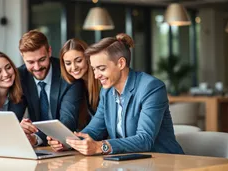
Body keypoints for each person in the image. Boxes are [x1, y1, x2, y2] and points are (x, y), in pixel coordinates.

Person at [48, 33, 184, 155]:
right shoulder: (106, 92)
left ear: (121, 63)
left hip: (164, 162)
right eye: (94, 69)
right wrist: (68, 142)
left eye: (101, 68)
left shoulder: (151, 87)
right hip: (130, 164)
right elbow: (94, 130)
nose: (96, 76)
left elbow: (145, 139)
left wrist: (101, 147)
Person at [18, 30, 83, 146]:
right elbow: (13, 116)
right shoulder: (20, 76)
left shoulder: (67, 75)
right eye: (31, 62)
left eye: (41, 60)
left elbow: (67, 122)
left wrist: (36, 138)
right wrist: (19, 125)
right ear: (22, 57)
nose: (37, 67)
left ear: (49, 51)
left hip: (66, 145)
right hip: (37, 148)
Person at [58, 38, 100, 129]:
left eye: (78, 61)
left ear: (87, 58)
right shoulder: (74, 86)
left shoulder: (101, 81)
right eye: (68, 63)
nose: (74, 67)